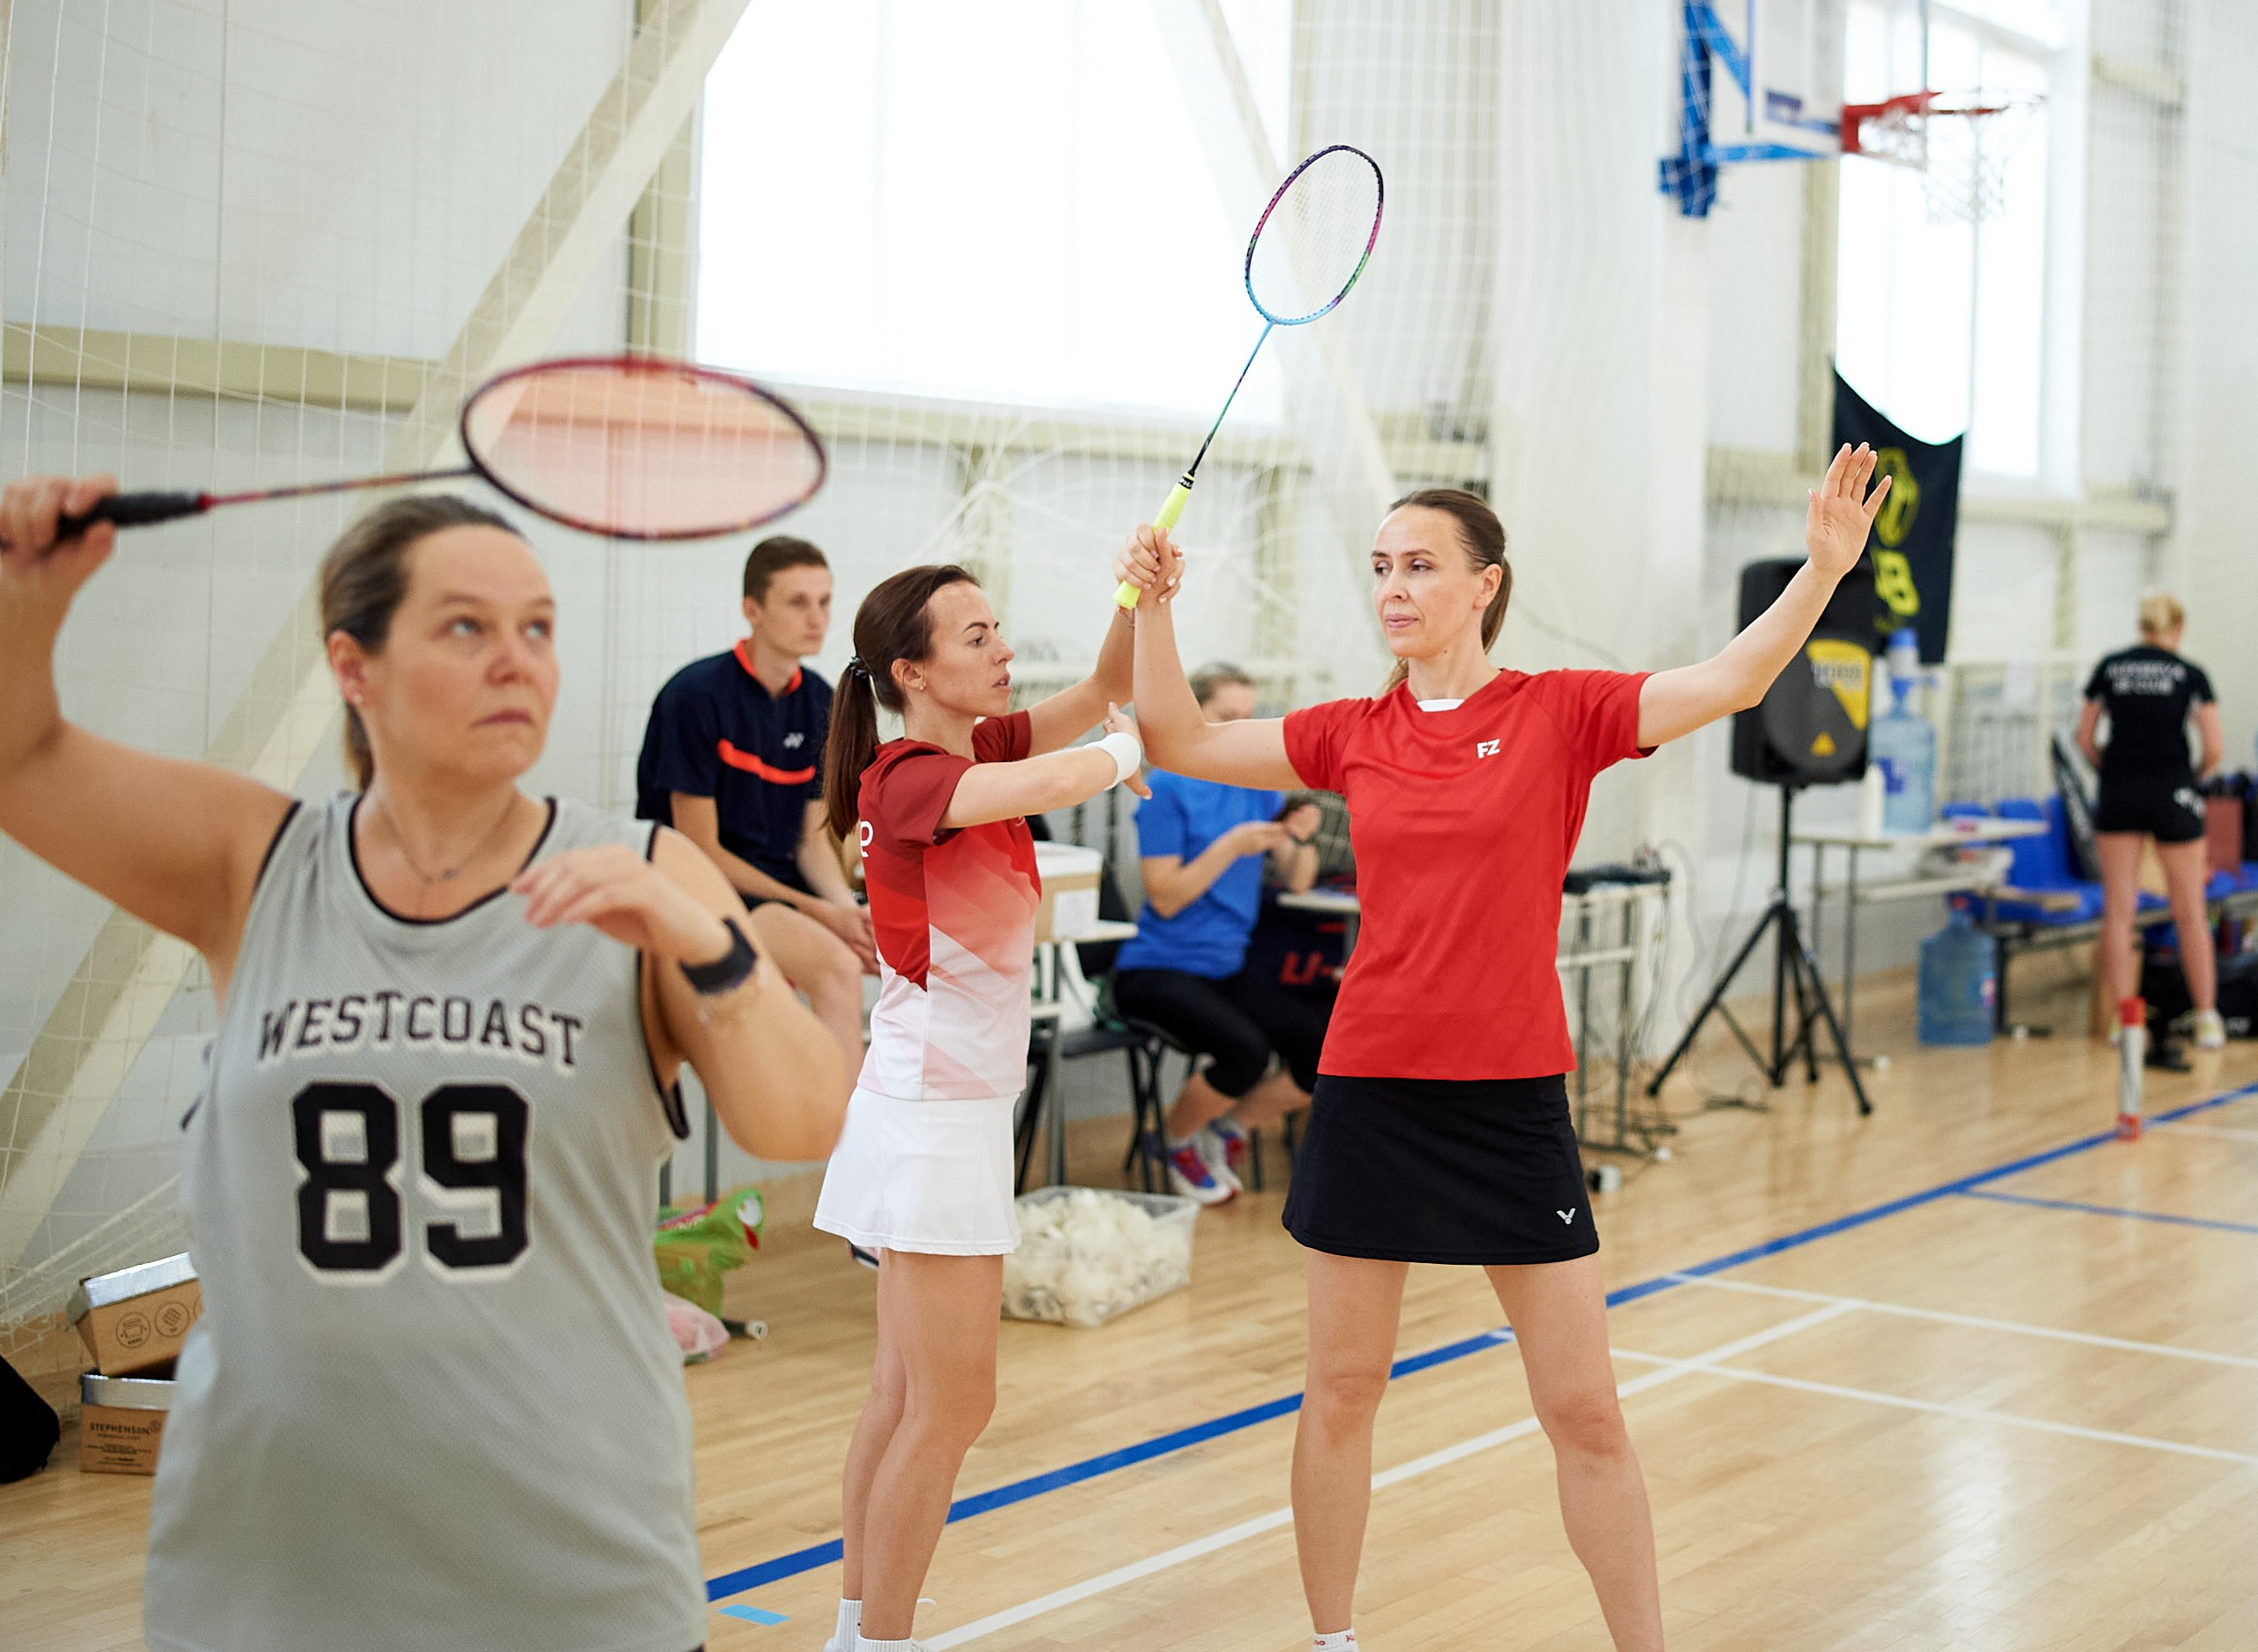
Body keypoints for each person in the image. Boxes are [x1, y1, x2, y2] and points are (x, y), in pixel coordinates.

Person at [0, 476, 852, 1652]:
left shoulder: (645, 869)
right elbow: (20, 758)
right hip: (269, 1568)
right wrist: (28, 601)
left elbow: (805, 1118)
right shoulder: (251, 858)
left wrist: (704, 938)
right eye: (467, 627)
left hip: (570, 1566)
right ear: (354, 667)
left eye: (538, 628)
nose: (518, 659)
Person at [1117, 451, 1893, 1652]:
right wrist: (1156, 607)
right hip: (1371, 1087)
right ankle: (1334, 1641)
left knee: (1583, 1409)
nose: (1395, 586)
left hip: (1508, 1100)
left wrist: (1824, 572)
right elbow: (1174, 734)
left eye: (1420, 564)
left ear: (1485, 586)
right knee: (1341, 1392)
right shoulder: (1349, 732)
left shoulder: (1560, 711)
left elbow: (1736, 680)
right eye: (1380, 566)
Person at [811, 566, 1145, 1652]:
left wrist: (1141, 596)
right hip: (932, 1115)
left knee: (905, 1394)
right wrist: (1127, 753)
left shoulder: (979, 746)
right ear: (911, 673)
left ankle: (859, 1628)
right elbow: (1072, 772)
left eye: (997, 627)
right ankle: (880, 1640)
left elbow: (1102, 682)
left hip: (935, 1104)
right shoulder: (902, 778)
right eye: (974, 636)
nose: (1001, 649)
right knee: (951, 1407)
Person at [637, 534, 873, 1065]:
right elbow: (701, 852)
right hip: (701, 888)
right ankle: (851, 1142)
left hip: (779, 892)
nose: (817, 617)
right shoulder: (695, 697)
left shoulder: (820, 702)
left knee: (869, 945)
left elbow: (810, 844)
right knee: (837, 964)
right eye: (797, 601)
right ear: (753, 610)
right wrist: (817, 912)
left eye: (824, 601)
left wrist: (847, 911)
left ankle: (855, 1125)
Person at [1112, 662, 1326, 1203]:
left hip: (1225, 967)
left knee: (1325, 1049)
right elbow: (1165, 896)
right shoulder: (1164, 789)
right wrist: (1232, 846)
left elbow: (1298, 882)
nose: (1237, 733)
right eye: (1226, 718)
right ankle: (1174, 1140)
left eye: (1247, 721)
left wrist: (1298, 838)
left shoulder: (1255, 788)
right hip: (1156, 969)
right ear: (1195, 716)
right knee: (1245, 1052)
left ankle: (1229, 1127)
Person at [2076, 592, 2227, 1049]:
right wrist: (2189, 777)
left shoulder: (2110, 667)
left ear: (2142, 626)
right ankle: (2207, 1018)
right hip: (2172, 790)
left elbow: (2085, 737)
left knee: (2119, 915)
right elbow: (2214, 746)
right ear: (2177, 629)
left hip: (2121, 789)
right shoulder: (2190, 673)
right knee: (2190, 911)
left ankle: (2126, 1023)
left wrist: (2111, 772)